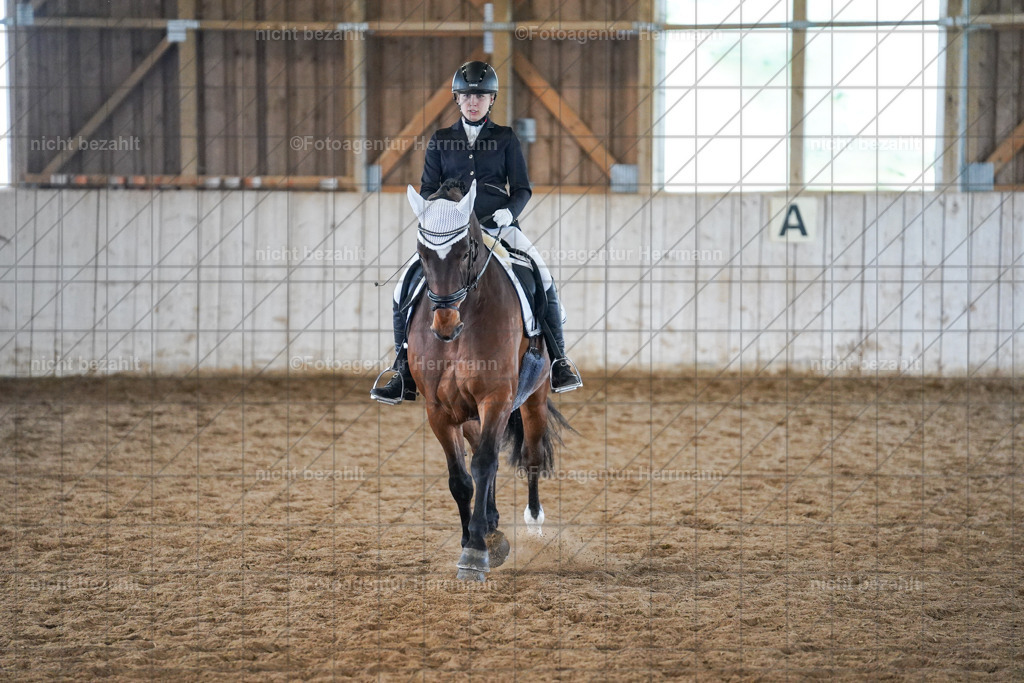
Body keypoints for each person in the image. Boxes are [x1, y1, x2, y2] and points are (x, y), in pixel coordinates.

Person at [371, 60, 583, 405]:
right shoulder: (441, 140)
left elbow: (522, 188)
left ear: (491, 100)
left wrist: (509, 212)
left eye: (481, 96)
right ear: (457, 98)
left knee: (543, 276)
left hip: (497, 226)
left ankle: (559, 361)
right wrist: (441, 213)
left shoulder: (505, 138)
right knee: (401, 289)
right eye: (467, 96)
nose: (473, 102)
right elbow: (428, 189)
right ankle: (401, 370)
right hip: (451, 233)